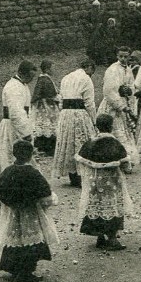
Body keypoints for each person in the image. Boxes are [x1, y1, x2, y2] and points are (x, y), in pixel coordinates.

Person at [0, 140, 57, 282]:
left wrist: (9, 201)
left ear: (14, 153)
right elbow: (46, 193)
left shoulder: (8, 171)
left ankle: (13, 267)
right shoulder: (33, 172)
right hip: (30, 213)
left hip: (13, 212)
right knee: (30, 237)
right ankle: (26, 272)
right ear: (31, 155)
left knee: (14, 237)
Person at [76, 115, 133, 250]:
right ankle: (112, 239)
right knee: (112, 207)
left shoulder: (91, 142)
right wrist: (127, 169)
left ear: (97, 126)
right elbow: (126, 166)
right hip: (112, 182)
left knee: (96, 205)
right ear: (111, 126)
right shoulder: (115, 144)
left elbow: (82, 162)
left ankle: (100, 237)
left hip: (94, 181)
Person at [52, 57, 98, 187]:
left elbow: (60, 99)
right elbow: (89, 103)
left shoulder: (66, 77)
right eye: (91, 72)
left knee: (68, 144)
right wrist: (93, 120)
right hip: (78, 113)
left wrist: (63, 112)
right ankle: (81, 175)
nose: (91, 75)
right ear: (89, 68)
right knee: (81, 142)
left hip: (65, 114)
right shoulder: (86, 79)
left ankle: (73, 175)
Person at [0, 60, 36, 185]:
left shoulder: (23, 86)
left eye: (32, 77)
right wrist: (25, 133)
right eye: (28, 76)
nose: (30, 80)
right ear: (21, 73)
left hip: (20, 125)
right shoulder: (13, 87)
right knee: (10, 158)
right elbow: (15, 113)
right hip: (12, 127)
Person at [97, 46, 139, 166]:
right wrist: (121, 106)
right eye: (121, 56)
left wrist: (129, 92)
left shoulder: (129, 70)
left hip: (124, 103)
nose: (123, 59)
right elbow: (109, 91)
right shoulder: (112, 70)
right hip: (113, 106)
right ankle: (112, 161)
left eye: (126, 57)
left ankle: (125, 161)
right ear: (117, 56)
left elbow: (132, 86)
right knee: (116, 133)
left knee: (126, 133)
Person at [30, 60, 60, 156]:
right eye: (52, 68)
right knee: (48, 125)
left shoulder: (44, 79)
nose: (54, 70)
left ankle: (44, 147)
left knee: (46, 126)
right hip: (46, 107)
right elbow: (50, 94)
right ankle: (47, 148)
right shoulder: (45, 80)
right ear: (47, 69)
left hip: (45, 105)